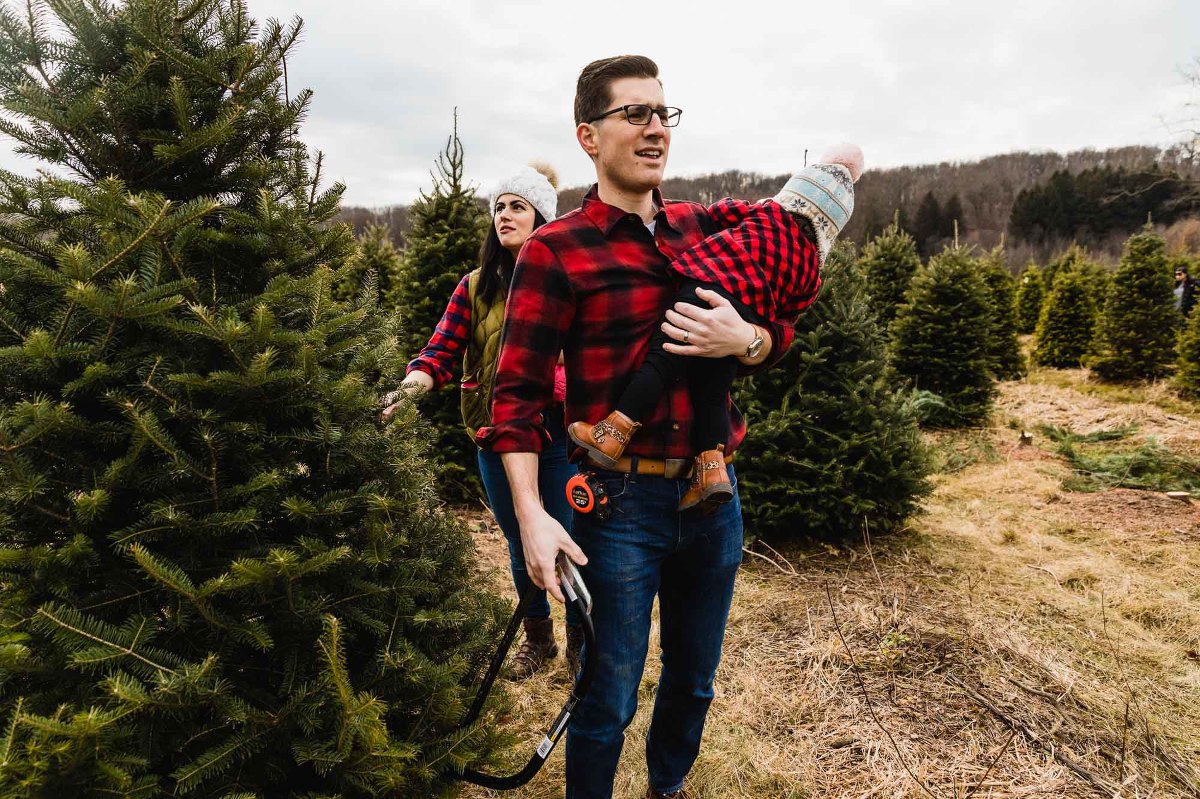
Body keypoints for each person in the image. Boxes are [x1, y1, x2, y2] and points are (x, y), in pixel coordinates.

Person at [476, 55, 819, 799]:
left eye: (663, 112)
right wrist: (532, 518)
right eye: (634, 113)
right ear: (589, 137)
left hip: (712, 497)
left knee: (694, 681)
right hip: (616, 508)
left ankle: (668, 787)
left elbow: (788, 281)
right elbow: (517, 398)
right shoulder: (554, 250)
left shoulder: (705, 228)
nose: (655, 127)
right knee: (606, 698)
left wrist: (748, 341)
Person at [567, 145, 862, 512]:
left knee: (661, 361)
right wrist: (750, 333)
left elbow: (721, 212)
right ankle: (711, 472)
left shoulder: (765, 213)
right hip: (737, 324)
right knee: (712, 394)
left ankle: (612, 433)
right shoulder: (811, 272)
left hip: (705, 289)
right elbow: (791, 312)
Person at [381, 163, 583, 680]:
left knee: (571, 539)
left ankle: (585, 644)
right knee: (519, 538)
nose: (504, 215)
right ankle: (539, 640)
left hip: (558, 436)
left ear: (541, 215)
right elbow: (441, 352)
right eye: (499, 206)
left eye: (517, 205)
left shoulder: (569, 279)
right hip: (494, 434)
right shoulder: (475, 287)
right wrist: (412, 387)